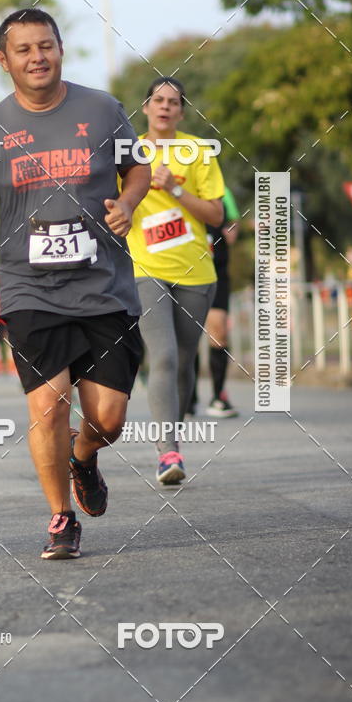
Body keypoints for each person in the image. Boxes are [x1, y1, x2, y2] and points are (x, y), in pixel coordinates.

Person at [0, 8, 150, 560]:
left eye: (46, 46)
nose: (37, 57)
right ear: (4, 60)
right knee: (49, 405)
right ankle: (61, 517)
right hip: (29, 288)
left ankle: (84, 458)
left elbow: (137, 168)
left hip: (103, 285)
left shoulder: (102, 109)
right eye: (24, 50)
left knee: (107, 418)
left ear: (61, 50)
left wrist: (128, 203)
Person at [125, 77, 224, 484]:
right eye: (158, 100)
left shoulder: (198, 150)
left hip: (196, 270)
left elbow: (217, 216)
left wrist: (175, 191)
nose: (165, 107)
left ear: (182, 111)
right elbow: (108, 202)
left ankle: (174, 440)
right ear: (146, 107)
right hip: (145, 267)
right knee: (162, 356)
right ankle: (167, 453)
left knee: (184, 362)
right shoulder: (127, 152)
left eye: (174, 102)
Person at [190, 188, 240, 417]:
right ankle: (188, 397)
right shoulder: (175, 182)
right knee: (187, 336)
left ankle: (218, 396)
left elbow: (232, 225)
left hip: (216, 271)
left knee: (218, 330)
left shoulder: (221, 189)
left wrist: (230, 230)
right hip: (186, 272)